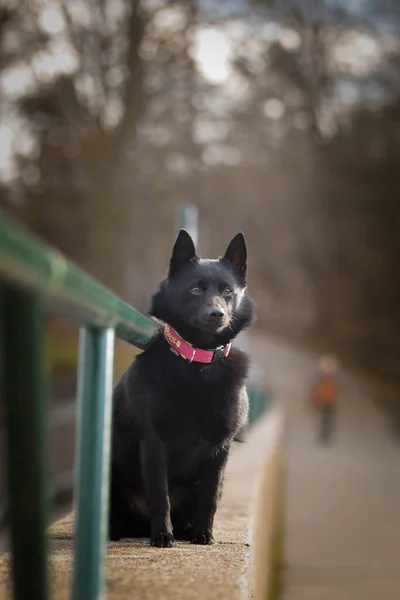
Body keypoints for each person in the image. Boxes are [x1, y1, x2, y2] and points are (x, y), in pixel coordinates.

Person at [310, 354, 340, 444]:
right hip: (323, 400)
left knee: (327, 419)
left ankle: (325, 435)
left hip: (330, 401)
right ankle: (323, 435)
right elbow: (316, 389)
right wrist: (315, 400)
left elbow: (336, 390)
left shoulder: (334, 379)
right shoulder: (320, 378)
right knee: (324, 419)